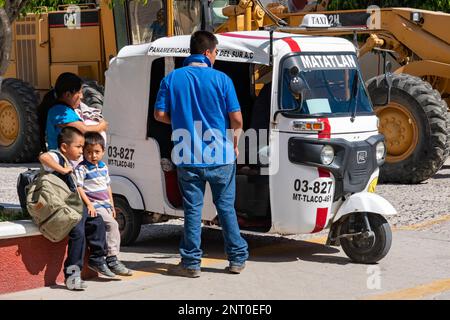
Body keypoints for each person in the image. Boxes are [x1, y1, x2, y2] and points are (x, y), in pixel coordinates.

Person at [154, 30, 249, 278]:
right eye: (216, 52)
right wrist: (234, 140)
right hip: (221, 156)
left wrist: (182, 121)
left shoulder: (172, 79)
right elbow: (237, 119)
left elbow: (159, 115)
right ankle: (237, 259)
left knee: (193, 211)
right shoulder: (222, 79)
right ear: (207, 52)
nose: (216, 57)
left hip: (187, 155)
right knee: (226, 208)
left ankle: (191, 263)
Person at [38, 127, 116, 291]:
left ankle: (96, 259)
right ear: (65, 147)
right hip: (61, 209)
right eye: (79, 146)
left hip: (72, 207)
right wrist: (62, 169)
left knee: (97, 221)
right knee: (78, 233)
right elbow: (43, 157)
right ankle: (72, 273)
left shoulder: (71, 161)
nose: (82, 150)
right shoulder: (57, 156)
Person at [75, 132, 133, 276]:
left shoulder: (103, 167)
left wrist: (111, 205)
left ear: (103, 152)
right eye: (89, 152)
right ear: (83, 152)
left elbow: (108, 187)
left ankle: (109, 258)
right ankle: (112, 259)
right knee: (112, 225)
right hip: (95, 205)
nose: (93, 155)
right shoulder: (82, 168)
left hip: (105, 205)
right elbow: (79, 187)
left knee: (111, 226)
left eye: (97, 152)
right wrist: (89, 204)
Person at [43, 72, 108, 153]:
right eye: (79, 92)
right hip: (62, 161)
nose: (82, 96)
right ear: (68, 95)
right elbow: (85, 130)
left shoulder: (67, 110)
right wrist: (102, 125)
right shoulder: (59, 112)